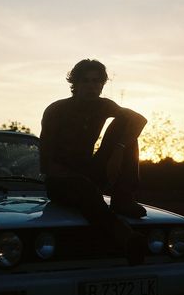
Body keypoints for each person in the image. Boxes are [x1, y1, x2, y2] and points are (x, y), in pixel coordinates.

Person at [40, 59, 147, 265]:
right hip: (60, 181)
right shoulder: (56, 110)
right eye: (86, 81)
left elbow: (138, 119)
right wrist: (81, 180)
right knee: (85, 189)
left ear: (102, 85)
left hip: (89, 173)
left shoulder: (103, 106)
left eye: (97, 82)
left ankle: (123, 197)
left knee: (126, 128)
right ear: (75, 84)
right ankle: (127, 238)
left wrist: (119, 149)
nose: (92, 86)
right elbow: (47, 165)